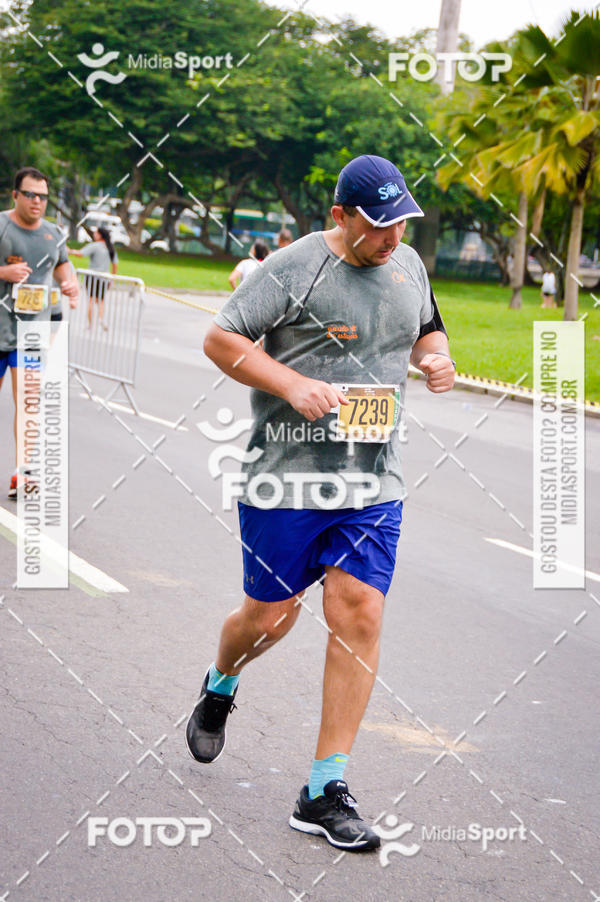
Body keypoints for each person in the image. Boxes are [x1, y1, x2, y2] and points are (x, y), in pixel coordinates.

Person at [186, 154, 455, 852]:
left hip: (372, 481)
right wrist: (290, 385)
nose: (392, 238)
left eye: (402, 223)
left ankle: (323, 788)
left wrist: (436, 357)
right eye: (377, 225)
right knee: (271, 617)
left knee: (358, 609)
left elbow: (426, 324)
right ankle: (221, 682)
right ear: (341, 217)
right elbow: (221, 339)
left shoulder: (408, 265)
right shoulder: (295, 265)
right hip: (288, 478)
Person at [0, 167, 79, 498]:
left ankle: (25, 473)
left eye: (43, 196)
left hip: (30, 334)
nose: (37, 201)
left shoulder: (53, 234)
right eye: (30, 194)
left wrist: (70, 284)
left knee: (30, 402)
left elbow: (64, 268)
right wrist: (4, 271)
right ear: (15, 195)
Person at [70, 226, 118, 328]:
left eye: (96, 233)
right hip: (104, 277)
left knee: (91, 300)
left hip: (92, 276)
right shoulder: (110, 247)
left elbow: (81, 254)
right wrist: (112, 277)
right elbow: (115, 264)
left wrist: (70, 251)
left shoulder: (95, 246)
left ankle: (90, 324)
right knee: (100, 301)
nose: (94, 235)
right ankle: (101, 319)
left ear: (100, 235)